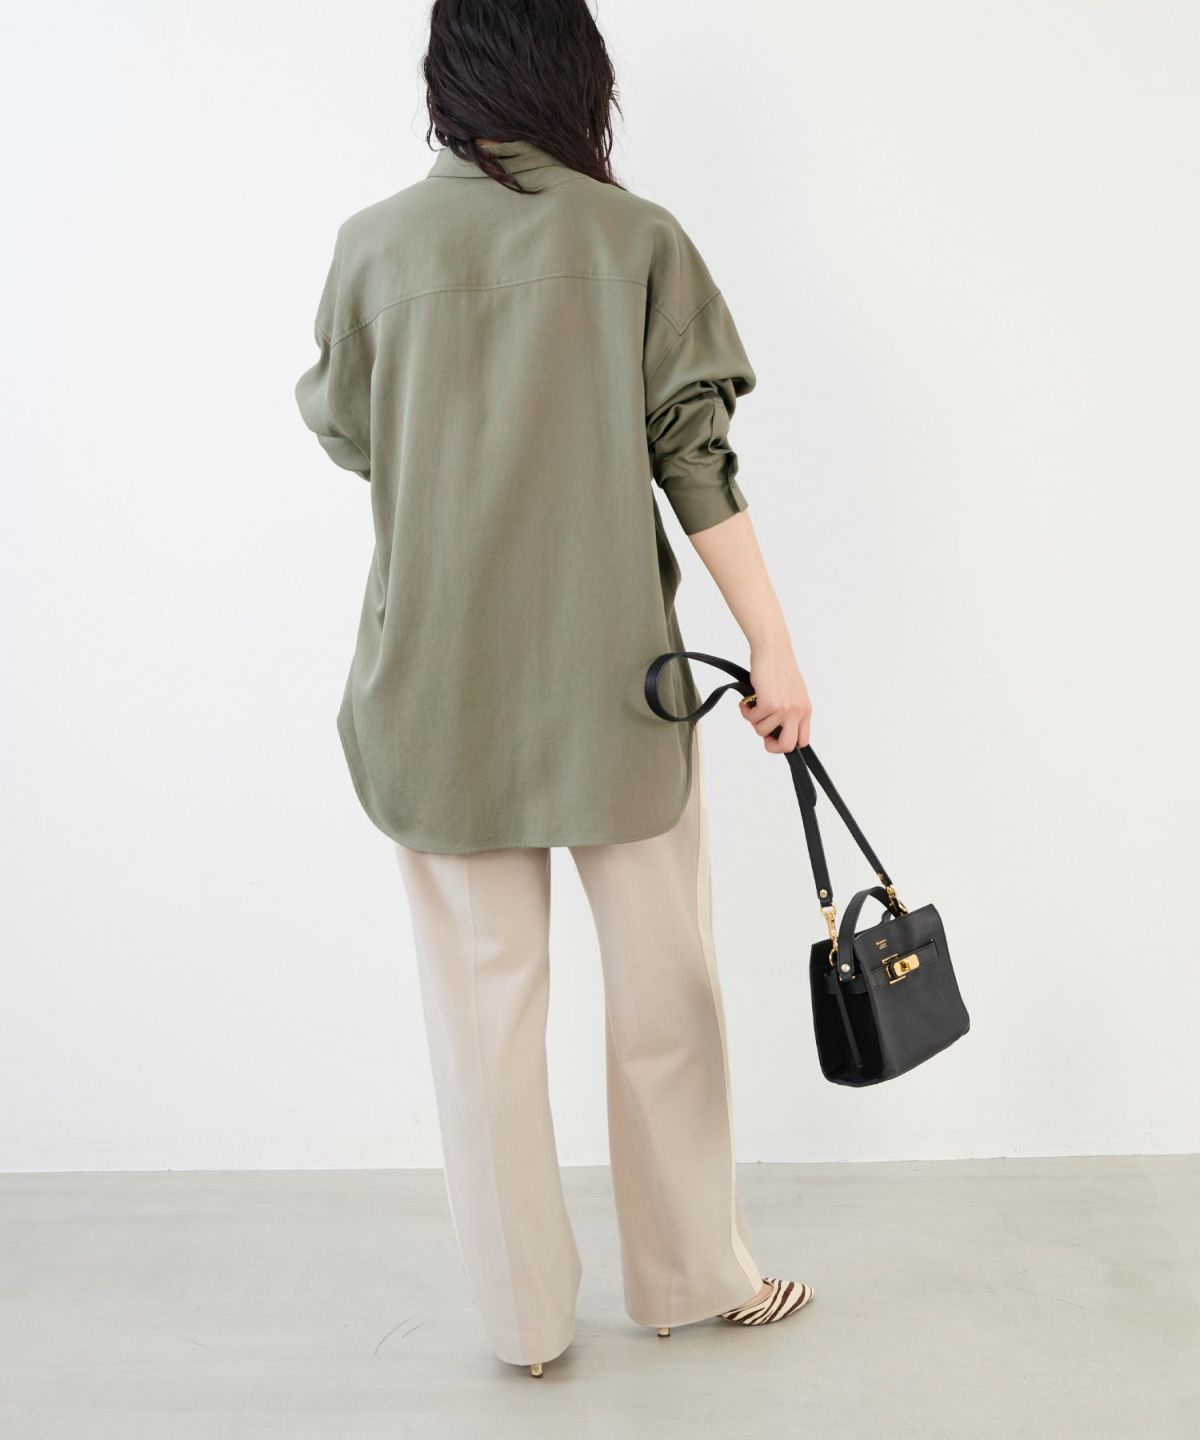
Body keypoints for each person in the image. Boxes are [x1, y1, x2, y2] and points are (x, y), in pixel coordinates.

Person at [294, 0, 815, 1377]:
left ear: (446, 76)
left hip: (437, 692)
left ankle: (525, 1328)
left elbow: (351, 432)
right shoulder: (633, 240)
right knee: (668, 997)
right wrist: (771, 644)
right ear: (579, 74)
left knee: (483, 1022)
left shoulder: (374, 249)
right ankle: (694, 1278)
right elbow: (695, 458)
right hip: (618, 688)